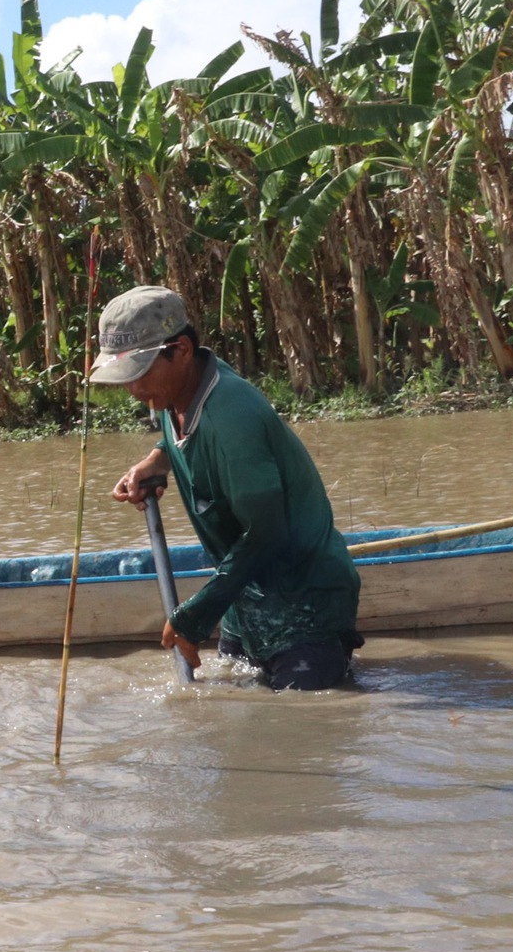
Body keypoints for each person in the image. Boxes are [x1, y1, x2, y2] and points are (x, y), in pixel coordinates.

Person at [95, 286, 362, 690]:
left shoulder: (233, 419)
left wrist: (193, 617)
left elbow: (268, 535)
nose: (134, 389)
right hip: (246, 598)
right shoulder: (177, 394)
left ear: (180, 350)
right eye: (126, 377)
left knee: (304, 723)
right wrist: (156, 461)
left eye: (141, 372)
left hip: (303, 604)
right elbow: (181, 437)